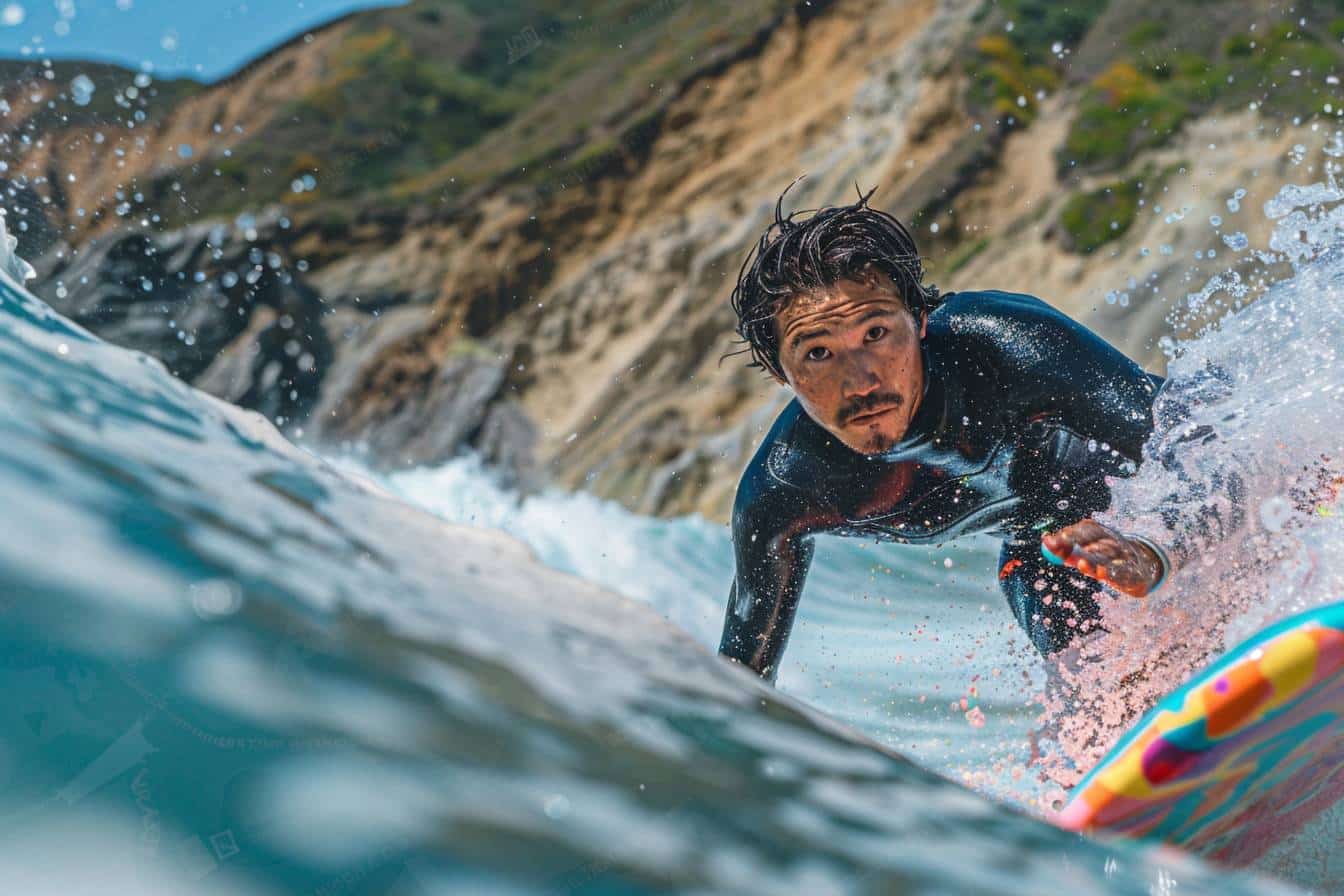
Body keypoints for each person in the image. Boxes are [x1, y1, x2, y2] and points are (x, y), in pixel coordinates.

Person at [717, 182, 1178, 682]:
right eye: (819, 354)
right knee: (1100, 689)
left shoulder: (1009, 351)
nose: (861, 381)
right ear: (779, 371)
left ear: (919, 320)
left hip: (1166, 493)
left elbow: (1203, 440)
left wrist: (1152, 548)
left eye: (875, 334)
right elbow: (740, 689)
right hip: (1057, 552)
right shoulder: (784, 492)